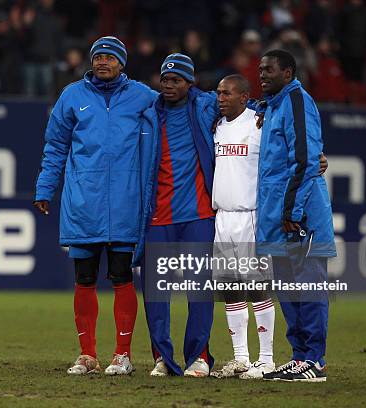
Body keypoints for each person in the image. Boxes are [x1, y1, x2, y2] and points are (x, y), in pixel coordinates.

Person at [33, 36, 156, 376]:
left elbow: (181, 110)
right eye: (98, 56)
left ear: (122, 63)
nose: (102, 61)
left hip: (126, 203)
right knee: (84, 279)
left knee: (121, 277)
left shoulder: (144, 96)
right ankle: (87, 355)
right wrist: (45, 187)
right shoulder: (72, 96)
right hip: (83, 202)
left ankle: (122, 354)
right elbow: (55, 146)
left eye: (110, 57)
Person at [134, 53, 220, 377]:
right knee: (156, 294)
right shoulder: (149, 115)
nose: (168, 86)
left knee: (200, 290)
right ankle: (163, 359)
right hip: (158, 215)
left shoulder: (206, 106)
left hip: (198, 215)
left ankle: (199, 356)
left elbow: (243, 105)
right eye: (165, 80)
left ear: (190, 82)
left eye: (176, 80)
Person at [256, 50, 336, 382]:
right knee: (288, 288)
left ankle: (315, 359)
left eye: (269, 70)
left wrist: (293, 212)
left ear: (287, 73)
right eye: (260, 69)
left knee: (309, 285)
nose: (262, 75)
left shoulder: (298, 102)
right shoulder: (272, 106)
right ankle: (300, 356)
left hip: (300, 214)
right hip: (278, 213)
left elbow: (303, 161)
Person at [208, 75, 276, 380]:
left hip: (250, 215)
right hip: (223, 215)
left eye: (227, 93)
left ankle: (267, 359)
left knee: (257, 286)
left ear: (245, 98)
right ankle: (240, 358)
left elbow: (283, 155)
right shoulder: (217, 127)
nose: (220, 98)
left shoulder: (259, 124)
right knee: (230, 289)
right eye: (219, 93)